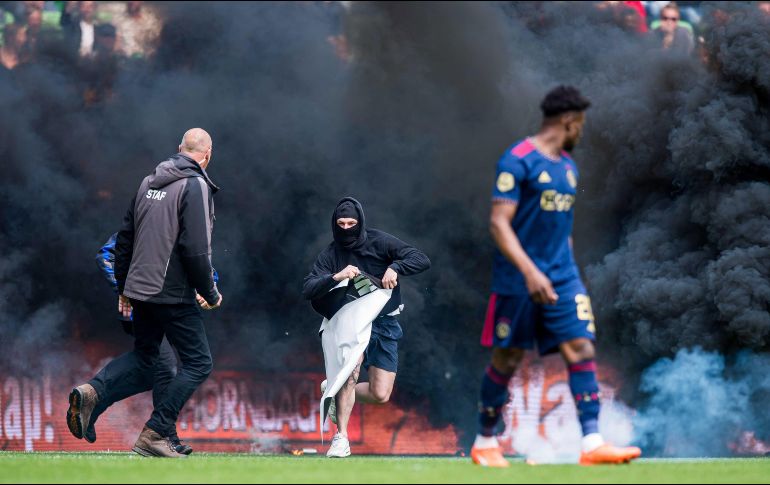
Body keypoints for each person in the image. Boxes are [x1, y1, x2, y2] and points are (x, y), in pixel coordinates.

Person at [470, 86, 642, 467]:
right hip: (517, 279)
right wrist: (531, 272)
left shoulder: (568, 167)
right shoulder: (517, 161)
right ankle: (484, 442)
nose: (582, 132)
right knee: (507, 358)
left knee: (581, 347)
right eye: (581, 124)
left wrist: (567, 273)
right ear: (569, 120)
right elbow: (499, 225)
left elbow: (563, 228)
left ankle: (593, 444)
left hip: (562, 277)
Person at [67, 128, 223, 458]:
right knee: (197, 363)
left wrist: (126, 288)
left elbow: (125, 239)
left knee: (151, 361)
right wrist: (209, 290)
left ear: (179, 148)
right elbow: (195, 250)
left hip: (142, 292)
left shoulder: (149, 182)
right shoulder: (194, 185)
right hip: (169, 293)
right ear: (207, 157)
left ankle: (95, 395)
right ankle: (157, 432)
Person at [303, 197, 430, 458]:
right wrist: (336, 277)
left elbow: (420, 259)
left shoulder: (380, 241)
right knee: (351, 371)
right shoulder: (330, 254)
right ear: (334, 224)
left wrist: (395, 267)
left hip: (384, 320)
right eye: (341, 223)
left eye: (352, 223)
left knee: (380, 393)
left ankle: (333, 387)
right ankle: (341, 438)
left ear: (360, 222)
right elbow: (308, 288)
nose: (346, 228)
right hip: (349, 322)